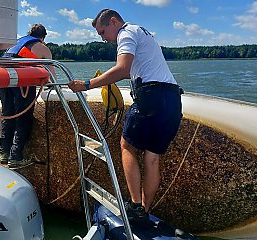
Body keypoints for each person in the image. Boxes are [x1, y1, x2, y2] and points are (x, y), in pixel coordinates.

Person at [68, 9, 183, 224]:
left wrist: (86, 84)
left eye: (103, 32)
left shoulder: (126, 33)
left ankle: (134, 204)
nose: (103, 38)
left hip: (151, 97)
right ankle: (144, 212)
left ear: (113, 22)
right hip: (173, 101)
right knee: (152, 157)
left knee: (126, 146)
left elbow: (122, 69)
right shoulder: (143, 32)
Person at [0, 23, 54, 169]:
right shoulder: (43, 48)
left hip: (3, 78)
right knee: (23, 117)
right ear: (43, 37)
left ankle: (3, 153)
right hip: (22, 81)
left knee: (7, 115)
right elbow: (52, 77)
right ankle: (16, 157)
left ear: (29, 34)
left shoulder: (15, 43)